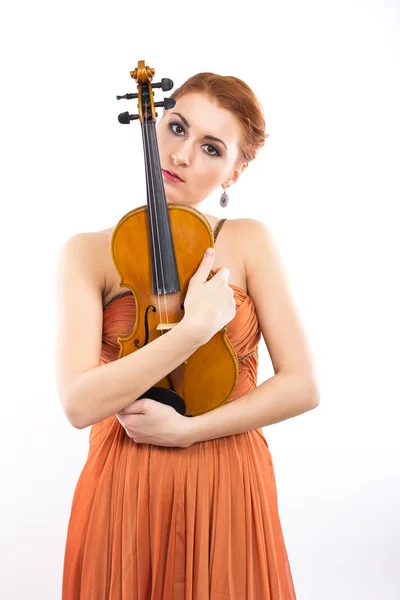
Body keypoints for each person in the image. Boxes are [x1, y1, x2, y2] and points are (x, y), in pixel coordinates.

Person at [56, 71, 319, 599]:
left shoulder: (248, 242)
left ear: (233, 173)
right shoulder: (87, 252)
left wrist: (190, 431)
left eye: (211, 148)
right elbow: (79, 403)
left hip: (228, 470)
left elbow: (302, 386)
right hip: (126, 476)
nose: (181, 156)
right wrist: (193, 329)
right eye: (176, 128)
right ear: (153, 126)